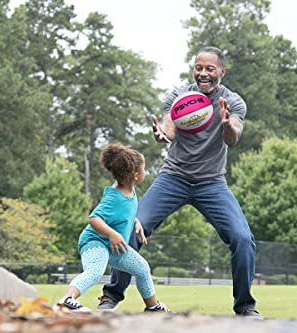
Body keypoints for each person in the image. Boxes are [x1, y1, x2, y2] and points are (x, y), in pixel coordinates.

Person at [97, 46, 260, 317]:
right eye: (199, 67)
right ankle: (111, 295)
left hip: (212, 183)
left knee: (243, 238)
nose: (203, 73)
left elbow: (233, 138)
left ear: (222, 71)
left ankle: (245, 305)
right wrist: (162, 133)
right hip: (173, 178)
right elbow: (168, 128)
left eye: (210, 68)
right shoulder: (178, 97)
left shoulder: (233, 102)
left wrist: (226, 123)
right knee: (131, 228)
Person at [57, 143, 169, 313]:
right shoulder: (114, 198)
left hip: (113, 246)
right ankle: (66, 300)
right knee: (95, 271)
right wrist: (111, 234)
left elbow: (124, 214)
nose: (145, 172)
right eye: (144, 169)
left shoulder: (129, 189)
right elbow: (94, 218)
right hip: (95, 242)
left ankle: (153, 307)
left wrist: (135, 222)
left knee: (142, 268)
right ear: (136, 175)